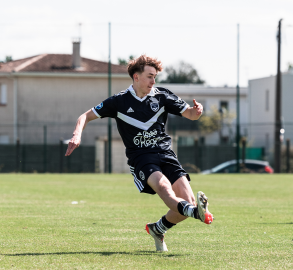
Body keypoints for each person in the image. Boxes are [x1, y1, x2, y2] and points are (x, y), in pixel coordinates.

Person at [64, 55, 213, 252]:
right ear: (136, 77)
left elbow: (191, 115)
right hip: (141, 158)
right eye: (149, 76)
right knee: (163, 187)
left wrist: (198, 111)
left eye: (155, 77)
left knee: (187, 203)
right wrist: (76, 135)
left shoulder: (163, 96)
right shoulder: (119, 101)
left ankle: (157, 229)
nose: (153, 81)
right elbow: (85, 116)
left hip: (166, 154)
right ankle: (196, 213)